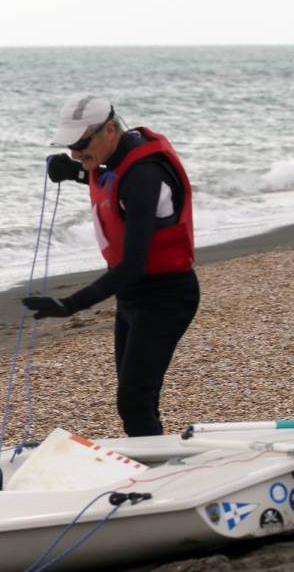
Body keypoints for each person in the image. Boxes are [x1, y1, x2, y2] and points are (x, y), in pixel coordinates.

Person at [23, 94, 199, 437]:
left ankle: (155, 477)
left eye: (81, 144)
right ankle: (154, 464)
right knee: (135, 397)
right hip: (134, 299)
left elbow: (133, 264)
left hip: (166, 297)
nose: (75, 152)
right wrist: (75, 172)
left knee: (134, 400)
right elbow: (111, 179)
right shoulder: (120, 157)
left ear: (108, 130)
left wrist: (69, 305)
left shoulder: (145, 175)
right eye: (70, 146)